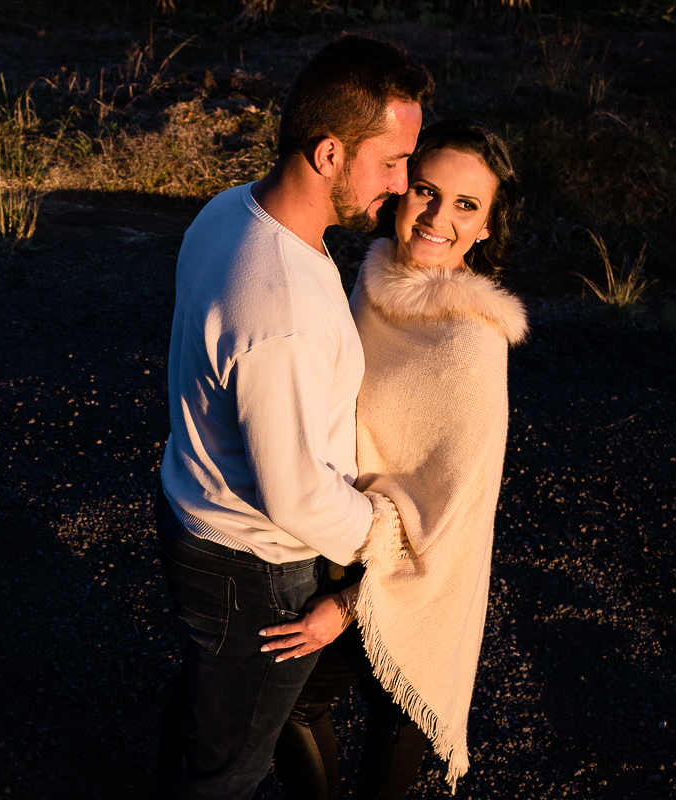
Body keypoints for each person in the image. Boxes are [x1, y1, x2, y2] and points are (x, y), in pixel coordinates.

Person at [152, 35, 433, 799]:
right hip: (250, 564)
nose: (405, 186)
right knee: (230, 769)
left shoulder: (226, 212)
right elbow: (300, 498)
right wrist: (386, 547)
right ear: (329, 152)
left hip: (194, 513)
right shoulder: (283, 308)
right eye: (392, 162)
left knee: (210, 709)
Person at [264, 117, 529, 799]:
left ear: (487, 229)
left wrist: (347, 607)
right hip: (341, 540)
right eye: (426, 190)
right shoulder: (375, 278)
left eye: (466, 206)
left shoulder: (472, 346)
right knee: (289, 707)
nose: (438, 217)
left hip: (416, 587)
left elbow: (449, 524)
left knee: (364, 723)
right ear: (401, 189)